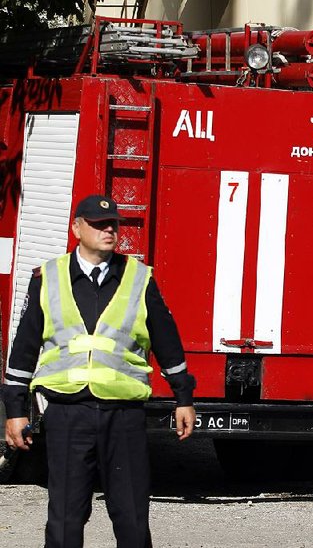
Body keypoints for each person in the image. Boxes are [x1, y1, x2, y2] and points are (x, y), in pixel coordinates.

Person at [2, 195, 196, 548]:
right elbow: (24, 348)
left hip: (123, 416)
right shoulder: (48, 277)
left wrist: (184, 397)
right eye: (98, 224)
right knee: (64, 519)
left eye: (113, 224)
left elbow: (168, 343)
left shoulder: (139, 278)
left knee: (132, 518)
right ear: (77, 228)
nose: (109, 230)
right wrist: (14, 411)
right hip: (67, 414)